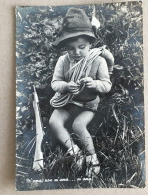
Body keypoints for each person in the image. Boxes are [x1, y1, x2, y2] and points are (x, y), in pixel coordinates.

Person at [48, 7, 113, 177]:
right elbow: (55, 83)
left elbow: (107, 85)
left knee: (78, 125)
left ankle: (92, 158)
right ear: (65, 48)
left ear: (90, 44)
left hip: (87, 104)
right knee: (54, 122)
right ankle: (75, 152)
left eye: (82, 47)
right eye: (71, 48)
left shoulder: (98, 61)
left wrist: (94, 84)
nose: (76, 52)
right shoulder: (63, 61)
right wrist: (66, 86)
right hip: (67, 101)